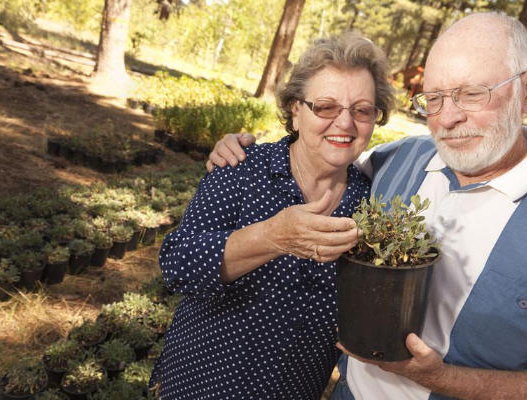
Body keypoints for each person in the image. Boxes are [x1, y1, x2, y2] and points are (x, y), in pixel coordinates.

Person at [206, 12, 527, 400]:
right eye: (434, 99)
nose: (449, 118)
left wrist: (444, 380)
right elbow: (327, 149)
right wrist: (245, 154)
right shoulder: (401, 159)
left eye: (473, 93)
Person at [150, 32, 396, 399]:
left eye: (361, 110)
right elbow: (177, 265)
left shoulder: (371, 202)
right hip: (200, 385)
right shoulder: (242, 167)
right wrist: (272, 237)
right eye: (326, 107)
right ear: (296, 110)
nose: (344, 124)